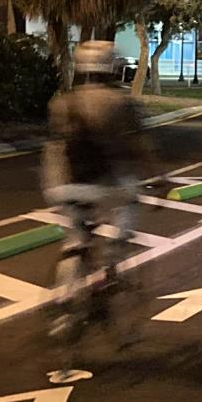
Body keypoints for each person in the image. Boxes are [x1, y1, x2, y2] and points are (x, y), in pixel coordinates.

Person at [42, 40, 154, 340]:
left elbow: (56, 146)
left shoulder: (62, 102)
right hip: (105, 187)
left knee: (75, 238)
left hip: (61, 186)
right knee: (130, 202)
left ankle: (64, 302)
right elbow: (139, 148)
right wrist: (160, 177)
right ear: (112, 68)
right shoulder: (121, 104)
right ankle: (111, 259)